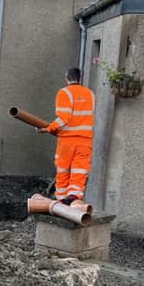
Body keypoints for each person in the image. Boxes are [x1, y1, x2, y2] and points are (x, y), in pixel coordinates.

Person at [38, 67, 95, 204]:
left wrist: (48, 128)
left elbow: (64, 117)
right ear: (80, 77)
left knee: (62, 169)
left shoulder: (64, 93)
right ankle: (74, 197)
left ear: (66, 77)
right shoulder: (90, 94)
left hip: (67, 140)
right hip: (85, 141)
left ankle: (62, 199)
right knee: (79, 170)